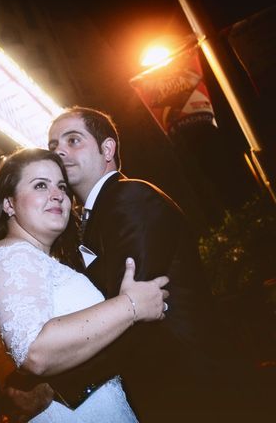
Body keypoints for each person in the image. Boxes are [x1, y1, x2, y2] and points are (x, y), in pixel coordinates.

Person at [35, 106, 250, 422]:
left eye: (73, 140)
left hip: (193, 389)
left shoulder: (131, 197)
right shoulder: (92, 219)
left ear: (107, 149)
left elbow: (128, 311)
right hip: (160, 391)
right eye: (53, 147)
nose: (60, 153)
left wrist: (54, 384)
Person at [0, 148, 169, 422]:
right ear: (9, 204)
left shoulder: (38, 260)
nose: (58, 194)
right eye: (41, 185)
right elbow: (35, 351)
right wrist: (131, 306)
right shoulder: (11, 254)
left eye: (61, 186)